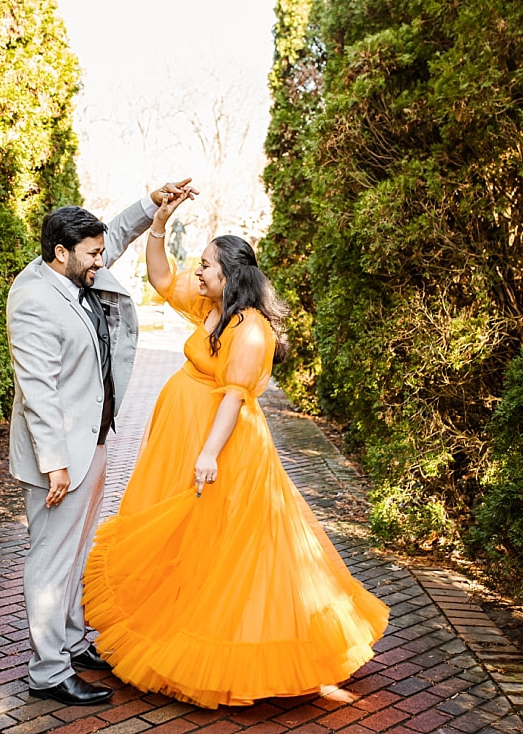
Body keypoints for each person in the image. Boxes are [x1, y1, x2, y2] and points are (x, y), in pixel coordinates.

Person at [82, 189, 390, 709]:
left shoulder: (250, 330)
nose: (197, 271)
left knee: (222, 543)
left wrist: (208, 453)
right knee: (179, 533)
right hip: (180, 438)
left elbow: (233, 397)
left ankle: (213, 643)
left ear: (231, 274)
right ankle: (168, 616)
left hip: (223, 444)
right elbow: (160, 278)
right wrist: (158, 224)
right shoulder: (209, 304)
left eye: (206, 264)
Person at [6, 179, 198, 707]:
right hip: (61, 457)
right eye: (92, 254)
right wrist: (55, 465)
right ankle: (47, 673)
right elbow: (38, 391)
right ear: (61, 252)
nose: (101, 260)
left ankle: (69, 641)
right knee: (50, 559)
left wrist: (151, 205)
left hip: (92, 440)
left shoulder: (72, 269)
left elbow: (113, 234)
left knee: (75, 550)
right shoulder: (33, 301)